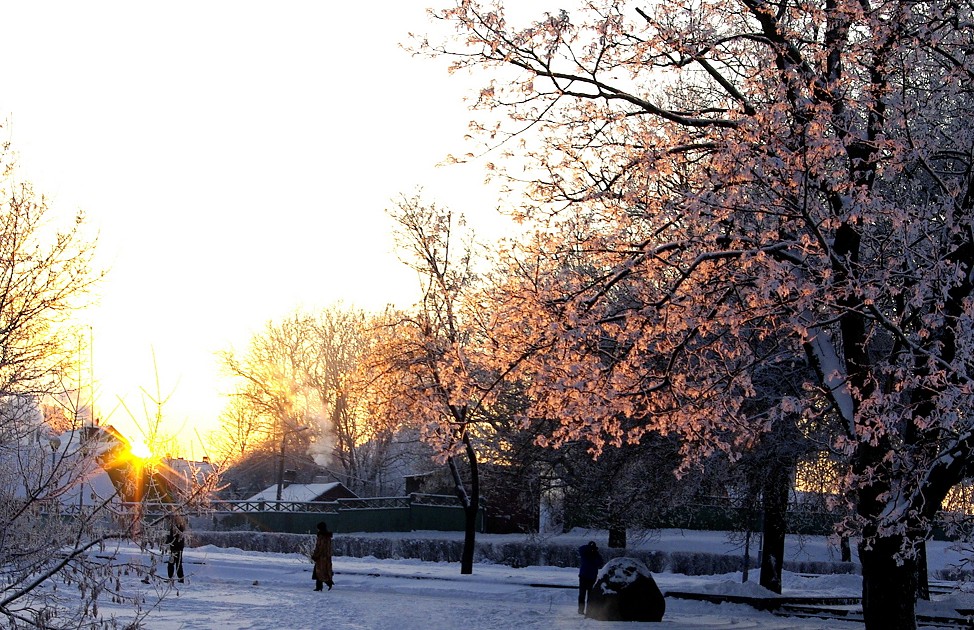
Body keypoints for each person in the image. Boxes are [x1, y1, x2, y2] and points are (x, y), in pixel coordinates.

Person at [577, 540, 603, 615]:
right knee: (584, 595)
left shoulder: (588, 554)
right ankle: (584, 610)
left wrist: (594, 552)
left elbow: (600, 562)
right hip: (587, 576)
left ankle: (587, 610)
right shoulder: (586, 553)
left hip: (587, 576)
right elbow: (581, 548)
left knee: (588, 595)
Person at [311, 521, 334, 591]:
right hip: (326, 557)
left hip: (321, 557)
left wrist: (315, 555)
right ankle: (321, 586)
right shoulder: (328, 536)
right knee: (322, 571)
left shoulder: (321, 537)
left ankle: (327, 583)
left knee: (319, 572)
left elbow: (319, 547)